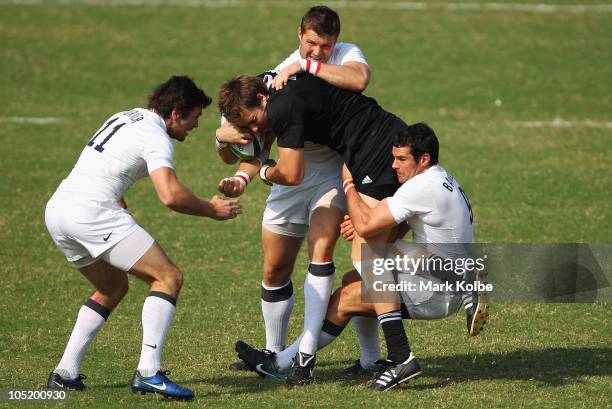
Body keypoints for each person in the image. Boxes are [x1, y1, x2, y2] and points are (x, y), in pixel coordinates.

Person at [235, 123, 489, 391]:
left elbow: (367, 226)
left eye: (401, 159)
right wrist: (364, 223)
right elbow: (390, 227)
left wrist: (348, 185)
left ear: (423, 159)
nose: (393, 165)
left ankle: (285, 362)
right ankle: (370, 360)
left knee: (348, 296)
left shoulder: (420, 187)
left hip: (435, 293)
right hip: (438, 271)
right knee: (354, 276)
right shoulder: (440, 178)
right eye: (393, 158)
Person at [44, 76, 241, 400]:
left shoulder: (126, 116)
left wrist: (119, 205)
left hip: (58, 211)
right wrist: (211, 210)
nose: (194, 126)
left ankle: (65, 373)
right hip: (91, 214)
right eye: (194, 117)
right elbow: (170, 195)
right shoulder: (156, 137)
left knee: (112, 287)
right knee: (168, 277)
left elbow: (103, 165)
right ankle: (148, 372)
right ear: (176, 113)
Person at [214, 6, 381, 386]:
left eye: (325, 45)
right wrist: (225, 146)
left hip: (331, 172)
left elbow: (359, 80)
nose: (317, 51)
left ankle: (314, 357)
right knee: (274, 269)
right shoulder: (276, 76)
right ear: (298, 34)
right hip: (290, 176)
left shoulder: (345, 55)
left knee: (324, 254)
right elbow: (253, 135)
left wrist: (310, 68)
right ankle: (274, 355)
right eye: (310, 44)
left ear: (335, 41)